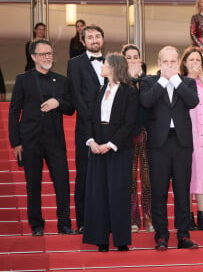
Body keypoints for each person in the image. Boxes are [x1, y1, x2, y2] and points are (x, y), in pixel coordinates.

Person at [8, 39, 77, 237]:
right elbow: (14, 113)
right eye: (43, 54)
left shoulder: (62, 80)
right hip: (30, 141)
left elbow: (71, 108)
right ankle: (36, 225)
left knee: (62, 183)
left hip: (55, 141)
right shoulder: (23, 79)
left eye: (49, 53)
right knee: (33, 184)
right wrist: (16, 142)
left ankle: (64, 224)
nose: (47, 57)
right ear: (33, 57)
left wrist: (58, 102)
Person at [140, 46, 200, 250]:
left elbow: (193, 101)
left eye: (173, 62)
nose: (169, 66)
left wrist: (175, 79)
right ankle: (162, 236)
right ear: (159, 62)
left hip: (182, 143)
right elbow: (146, 102)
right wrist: (164, 80)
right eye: (165, 62)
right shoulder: (149, 81)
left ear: (178, 63)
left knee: (182, 191)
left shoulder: (188, 82)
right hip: (159, 143)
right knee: (159, 191)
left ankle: (183, 235)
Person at [83, 53, 138, 252]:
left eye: (105, 63)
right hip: (98, 145)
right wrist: (91, 141)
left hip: (118, 147)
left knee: (119, 193)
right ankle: (101, 239)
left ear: (114, 67)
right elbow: (89, 118)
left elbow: (130, 123)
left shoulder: (129, 92)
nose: (102, 66)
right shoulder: (99, 90)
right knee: (98, 194)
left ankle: (121, 240)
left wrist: (111, 143)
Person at [67, 24, 106, 233]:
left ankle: (105, 219)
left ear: (102, 39)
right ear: (82, 42)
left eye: (97, 36)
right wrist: (91, 120)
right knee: (84, 174)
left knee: (106, 175)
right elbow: (75, 94)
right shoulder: (74, 64)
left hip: (109, 128)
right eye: (89, 37)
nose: (94, 40)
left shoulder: (111, 61)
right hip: (85, 126)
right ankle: (82, 222)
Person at [179, 47, 203, 231]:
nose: (194, 63)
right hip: (186, 136)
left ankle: (201, 216)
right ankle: (188, 216)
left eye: (198, 60)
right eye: (191, 60)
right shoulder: (180, 83)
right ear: (184, 63)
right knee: (188, 177)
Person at [122, 45, 152, 233]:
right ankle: (133, 217)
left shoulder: (149, 81)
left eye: (136, 57)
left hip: (147, 134)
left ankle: (148, 217)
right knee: (131, 178)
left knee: (148, 178)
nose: (133, 61)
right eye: (129, 58)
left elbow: (148, 103)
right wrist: (132, 80)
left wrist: (139, 80)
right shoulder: (120, 83)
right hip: (128, 136)